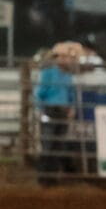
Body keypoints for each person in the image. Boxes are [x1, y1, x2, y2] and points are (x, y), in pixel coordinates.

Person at [32, 42, 81, 186]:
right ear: (57, 58)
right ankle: (44, 178)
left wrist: (72, 108)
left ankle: (51, 178)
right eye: (64, 57)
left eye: (68, 57)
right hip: (50, 110)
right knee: (48, 145)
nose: (67, 60)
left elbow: (71, 94)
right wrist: (40, 108)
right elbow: (39, 93)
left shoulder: (67, 76)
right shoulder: (47, 74)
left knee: (57, 146)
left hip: (62, 111)